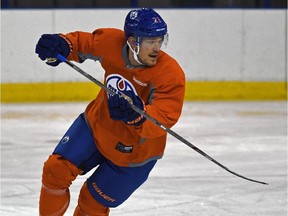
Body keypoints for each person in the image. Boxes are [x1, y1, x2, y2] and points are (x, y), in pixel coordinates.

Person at [35, 8, 185, 216]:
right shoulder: (111, 42)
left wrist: (137, 115)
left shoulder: (170, 74)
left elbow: (164, 117)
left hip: (135, 154)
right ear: (132, 42)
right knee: (55, 170)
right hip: (97, 127)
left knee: (91, 203)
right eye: (150, 41)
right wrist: (60, 45)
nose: (156, 48)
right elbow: (79, 44)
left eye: (160, 41)